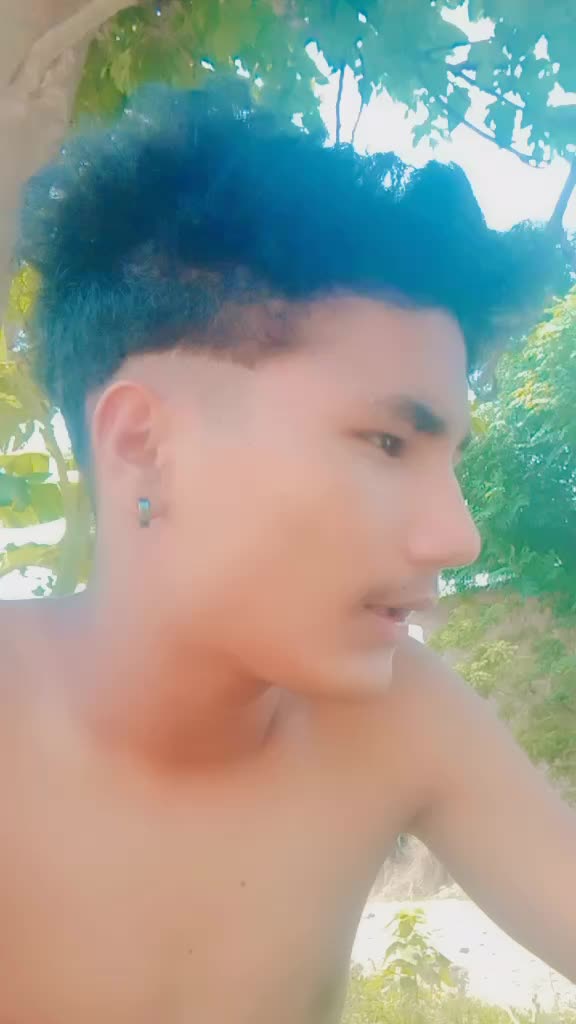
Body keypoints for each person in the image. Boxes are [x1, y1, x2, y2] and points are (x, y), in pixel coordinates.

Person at [1, 83, 575, 1024]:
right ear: (146, 446)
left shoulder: (396, 720)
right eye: (388, 443)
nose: (458, 536)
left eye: (449, 461)